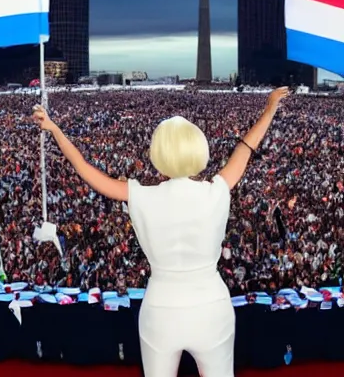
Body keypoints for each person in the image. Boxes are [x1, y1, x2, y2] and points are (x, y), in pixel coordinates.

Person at [32, 86, 289, 377]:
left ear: (158, 152)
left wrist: (54, 128)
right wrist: (269, 109)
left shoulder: (140, 196)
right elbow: (245, 148)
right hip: (211, 307)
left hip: (160, 309)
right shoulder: (217, 190)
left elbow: (85, 169)